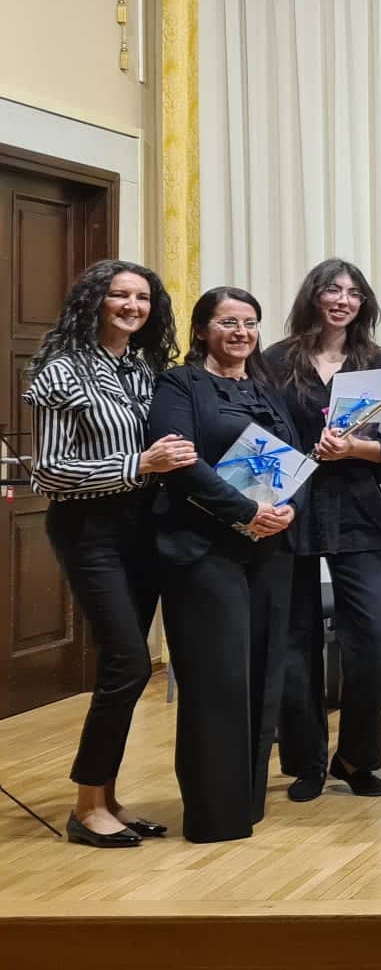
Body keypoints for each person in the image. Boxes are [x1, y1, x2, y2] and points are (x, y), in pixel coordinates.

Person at [25, 261, 190, 847]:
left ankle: (107, 799)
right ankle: (85, 806)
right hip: (89, 529)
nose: (132, 306)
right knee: (130, 663)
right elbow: (48, 472)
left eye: (142, 297)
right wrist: (137, 464)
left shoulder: (144, 369)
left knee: (122, 668)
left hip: (142, 529)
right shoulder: (61, 371)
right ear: (94, 300)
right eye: (119, 294)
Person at [148, 287, 300, 842]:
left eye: (250, 323)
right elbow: (180, 462)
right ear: (202, 329)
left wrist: (287, 510)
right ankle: (215, 816)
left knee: (262, 674)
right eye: (228, 322)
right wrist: (246, 512)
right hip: (202, 550)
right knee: (218, 681)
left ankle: (247, 802)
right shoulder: (179, 384)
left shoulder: (267, 388)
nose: (241, 333)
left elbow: (295, 459)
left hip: (268, 549)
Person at [265, 260, 381, 803]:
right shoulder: (275, 361)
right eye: (332, 289)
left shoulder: (380, 364)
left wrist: (353, 449)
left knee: (377, 633)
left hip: (357, 509)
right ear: (314, 296)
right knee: (293, 639)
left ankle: (355, 757)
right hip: (290, 509)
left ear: (364, 303)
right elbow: (259, 432)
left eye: (353, 292)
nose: (343, 300)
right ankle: (306, 762)